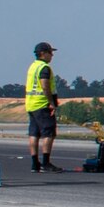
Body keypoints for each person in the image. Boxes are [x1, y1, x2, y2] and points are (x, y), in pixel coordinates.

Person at [25, 43, 62, 173]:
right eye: (50, 53)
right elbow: (45, 85)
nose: (52, 55)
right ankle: (46, 162)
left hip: (31, 104)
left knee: (34, 133)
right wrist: (51, 102)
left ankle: (35, 163)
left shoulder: (33, 66)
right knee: (49, 133)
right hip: (42, 104)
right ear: (43, 53)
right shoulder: (44, 68)